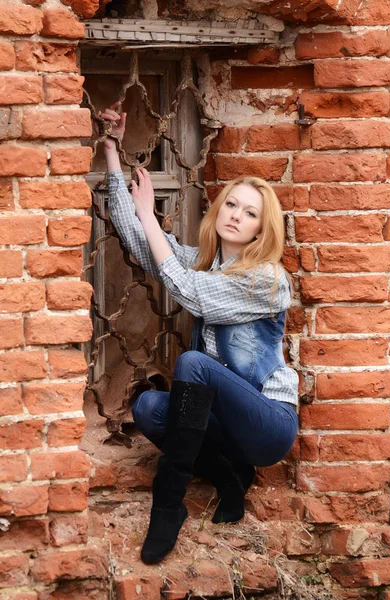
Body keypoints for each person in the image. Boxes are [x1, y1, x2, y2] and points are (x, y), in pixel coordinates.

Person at [100, 102, 299, 565]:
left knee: (193, 364)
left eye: (249, 213)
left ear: (259, 229)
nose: (235, 215)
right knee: (149, 407)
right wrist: (111, 149)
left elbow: (193, 295)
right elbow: (139, 237)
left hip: (267, 424)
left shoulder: (267, 280)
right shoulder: (203, 263)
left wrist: (151, 216)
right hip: (221, 428)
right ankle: (229, 478)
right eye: (231, 203)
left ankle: (167, 506)